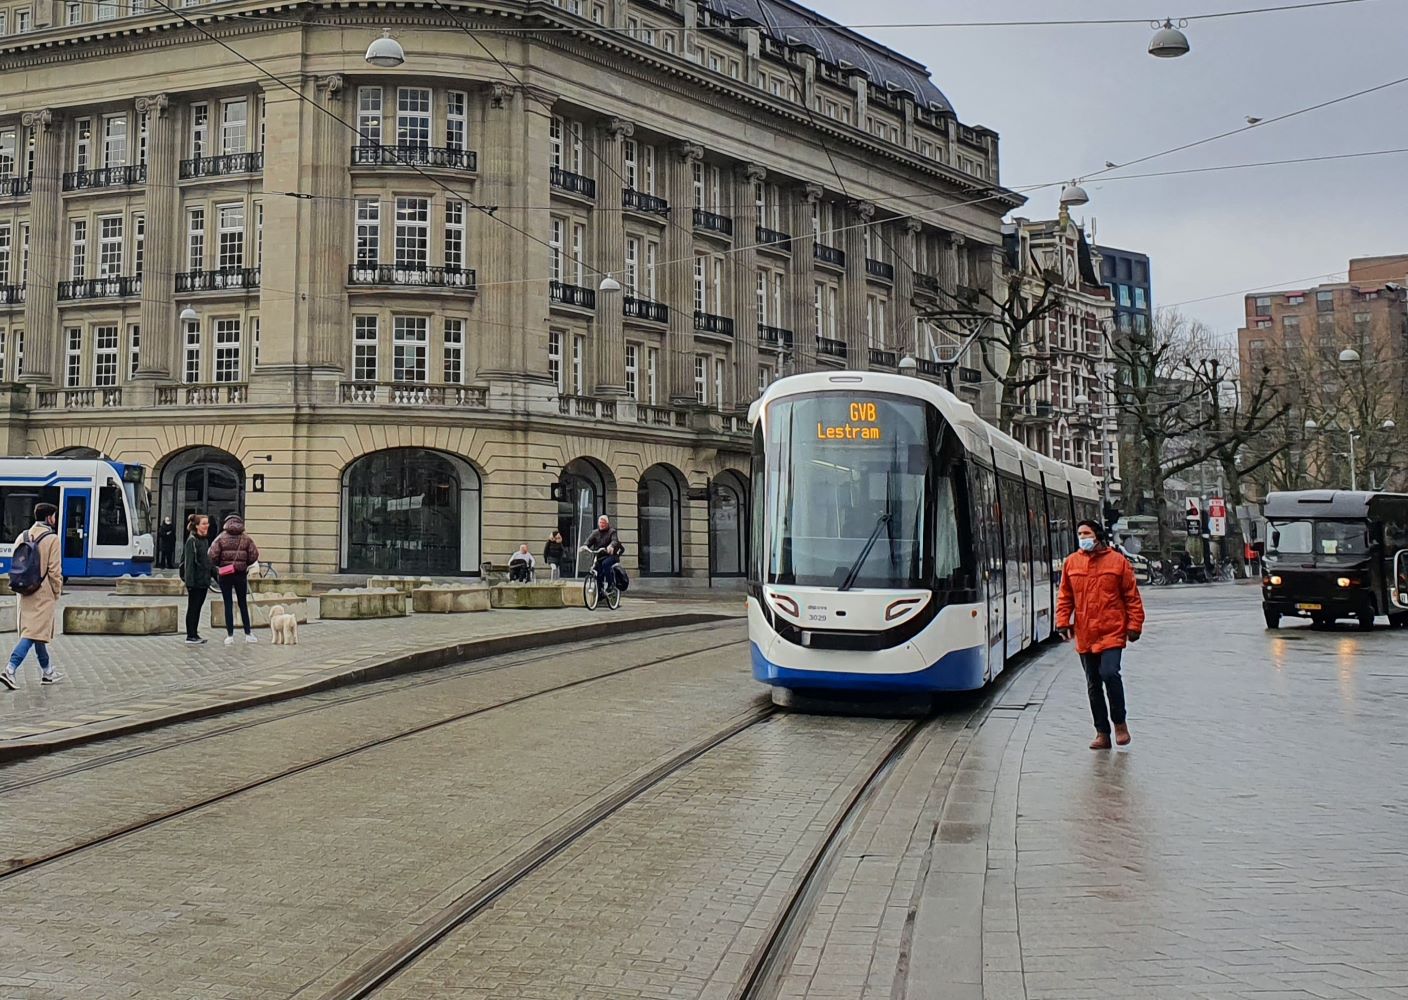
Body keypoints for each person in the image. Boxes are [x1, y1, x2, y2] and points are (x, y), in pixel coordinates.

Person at [1056, 519, 1146, 750]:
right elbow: (1065, 596)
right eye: (1079, 534)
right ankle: (1102, 732)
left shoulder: (1117, 562)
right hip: (1085, 632)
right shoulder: (1071, 562)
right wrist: (1062, 622)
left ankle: (1120, 724)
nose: (1082, 538)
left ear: (1097, 535)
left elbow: (1131, 597)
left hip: (1111, 630)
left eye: (1086, 533)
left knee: (1110, 673)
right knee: (1093, 682)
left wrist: (1134, 625)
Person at [1, 502, 64, 689]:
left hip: (24, 590)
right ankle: (10, 669)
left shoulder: (23, 535)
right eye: (54, 516)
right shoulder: (52, 539)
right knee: (32, 633)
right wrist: (57, 591)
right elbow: (54, 571)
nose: (55, 519)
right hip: (43, 593)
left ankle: (48, 671)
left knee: (36, 631)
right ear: (49, 517)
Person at [208, 513, 260, 645]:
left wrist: (221, 564)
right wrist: (244, 564)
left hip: (225, 574)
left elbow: (212, 554)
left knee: (228, 603)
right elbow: (254, 555)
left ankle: (230, 635)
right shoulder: (246, 538)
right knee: (243, 603)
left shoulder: (221, 538)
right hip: (240, 574)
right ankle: (248, 634)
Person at [179, 512, 214, 645]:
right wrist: (190, 583)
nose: (207, 525)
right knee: (193, 608)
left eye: (207, 523)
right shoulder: (192, 541)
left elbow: (207, 562)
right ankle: (190, 635)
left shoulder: (204, 540)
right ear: (197, 526)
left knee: (198, 608)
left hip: (203, 581)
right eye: (204, 523)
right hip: (195, 582)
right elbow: (189, 564)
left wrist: (215, 575)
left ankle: (194, 632)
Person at [583, 515, 625, 591]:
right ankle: (600, 591)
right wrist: (585, 546)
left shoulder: (612, 531)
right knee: (597, 570)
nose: (601, 524)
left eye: (603, 523)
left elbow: (614, 540)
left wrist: (611, 546)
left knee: (605, 564)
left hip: (611, 555)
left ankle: (610, 584)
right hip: (600, 556)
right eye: (600, 522)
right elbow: (589, 541)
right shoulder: (595, 533)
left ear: (607, 524)